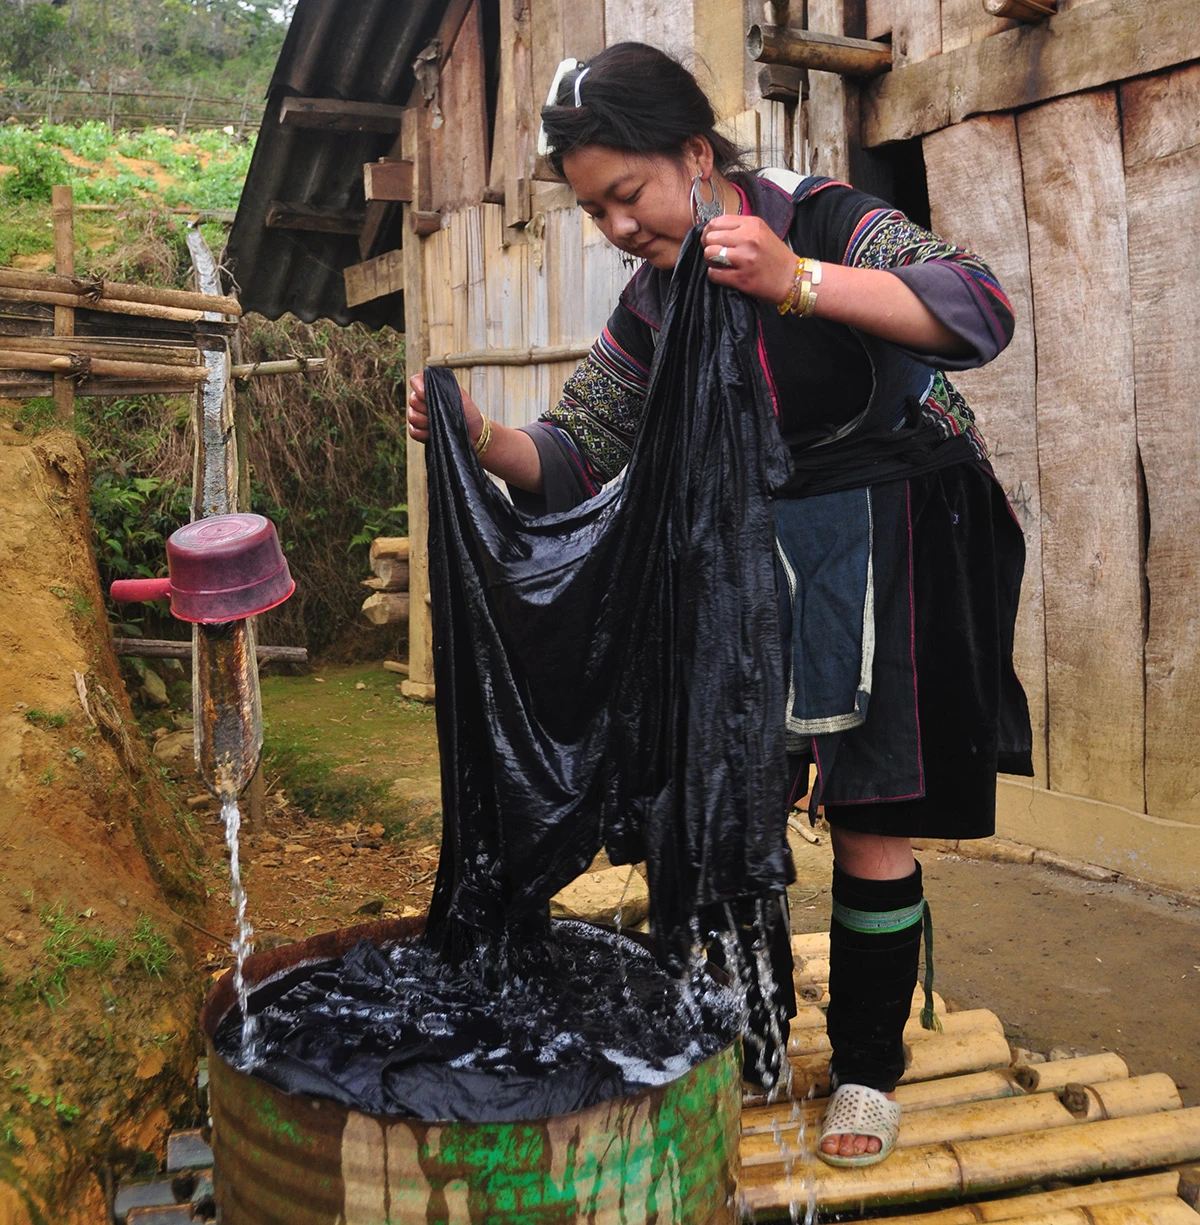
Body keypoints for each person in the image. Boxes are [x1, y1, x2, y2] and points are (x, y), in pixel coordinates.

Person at [407, 42, 1032, 1168]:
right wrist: (482, 440)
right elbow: (581, 448)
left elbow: (977, 309)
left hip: (896, 525)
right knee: (729, 797)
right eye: (594, 209)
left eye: (627, 195)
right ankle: (746, 1034)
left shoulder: (826, 220)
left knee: (869, 814)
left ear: (695, 156)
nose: (615, 227)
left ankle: (866, 1073)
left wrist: (794, 277)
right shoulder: (657, 300)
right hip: (753, 554)